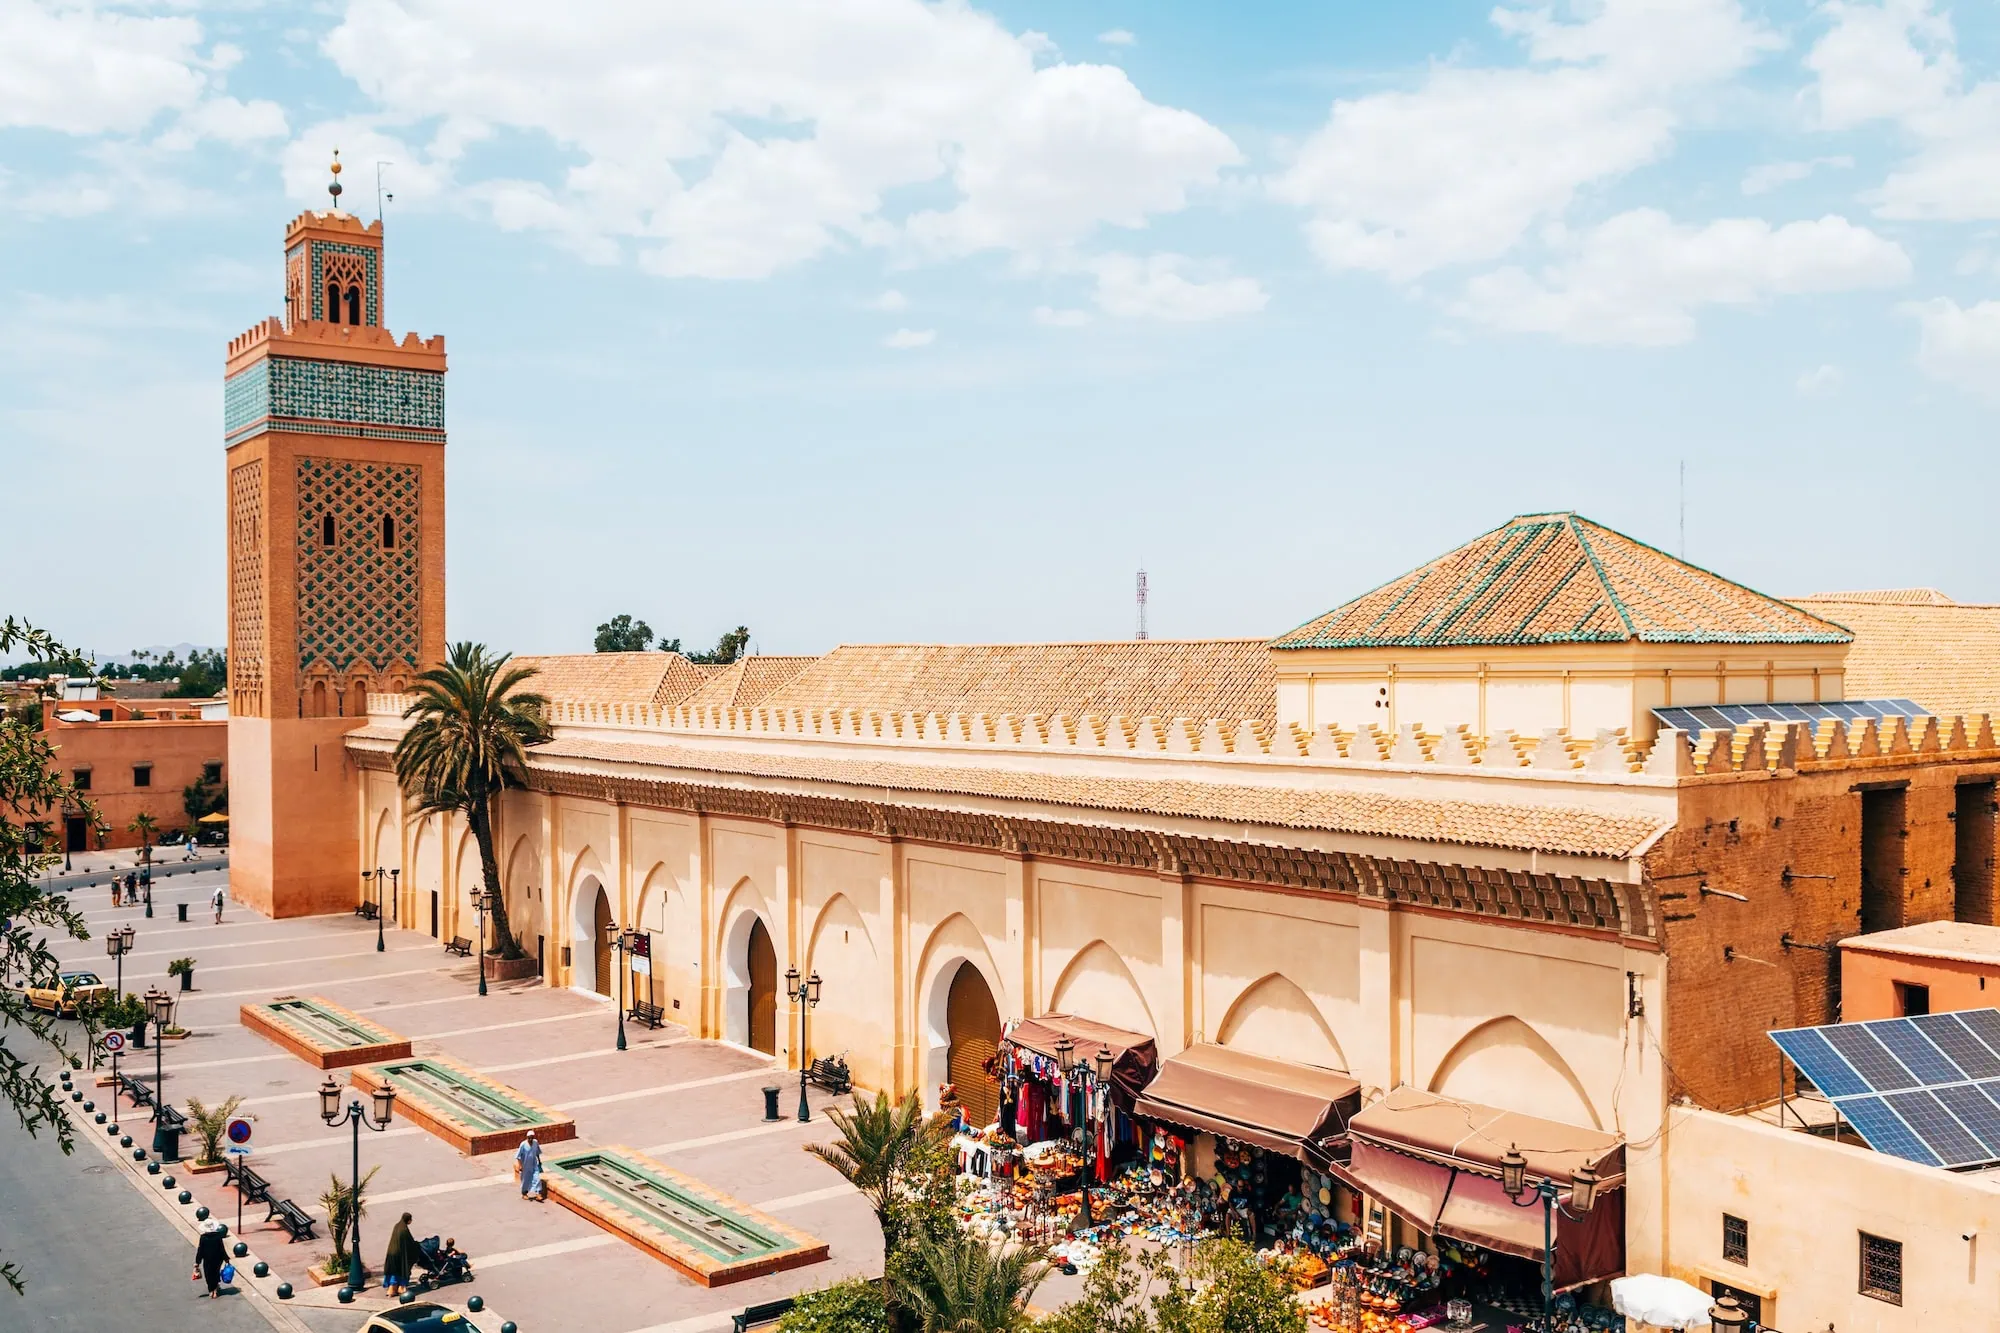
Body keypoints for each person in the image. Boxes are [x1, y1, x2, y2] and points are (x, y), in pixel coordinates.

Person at [381, 1212, 421, 1297]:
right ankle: (401, 1288)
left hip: (391, 1253)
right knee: (402, 1269)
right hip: (399, 1255)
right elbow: (409, 1242)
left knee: (393, 1270)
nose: (411, 1221)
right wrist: (416, 1246)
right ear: (408, 1220)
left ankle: (391, 1290)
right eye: (410, 1219)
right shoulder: (404, 1229)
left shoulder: (397, 1226)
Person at [193, 1220, 227, 1298]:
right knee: (215, 1272)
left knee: (208, 1274)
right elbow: (221, 1248)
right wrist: (226, 1258)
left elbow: (200, 1250)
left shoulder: (203, 1238)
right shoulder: (218, 1236)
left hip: (207, 1259)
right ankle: (215, 1289)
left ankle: (211, 1290)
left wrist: (197, 1262)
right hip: (218, 1258)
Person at [514, 1130, 544, 1201]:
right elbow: (518, 1156)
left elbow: (537, 1152)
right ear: (527, 1137)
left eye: (531, 1138)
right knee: (525, 1179)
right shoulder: (523, 1144)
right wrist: (520, 1165)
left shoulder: (535, 1143)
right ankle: (524, 1193)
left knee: (537, 1178)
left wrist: (539, 1161)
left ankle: (538, 1193)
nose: (530, 1139)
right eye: (529, 1138)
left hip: (533, 1164)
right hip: (525, 1165)